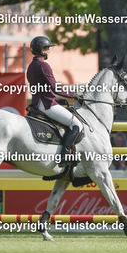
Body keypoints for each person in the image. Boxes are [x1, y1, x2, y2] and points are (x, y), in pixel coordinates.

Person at [26, 36, 83, 166]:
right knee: (76, 124)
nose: (49, 51)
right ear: (41, 50)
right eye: (47, 48)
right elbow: (55, 88)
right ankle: (64, 156)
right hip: (46, 104)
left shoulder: (31, 66)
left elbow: (43, 88)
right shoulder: (43, 65)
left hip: (38, 102)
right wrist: (74, 95)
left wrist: (57, 100)